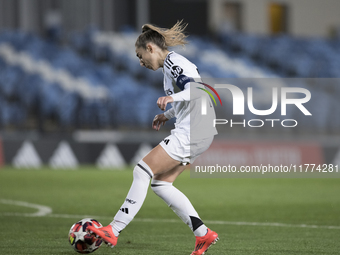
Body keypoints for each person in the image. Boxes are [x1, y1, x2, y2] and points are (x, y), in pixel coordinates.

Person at [88, 20, 219, 255]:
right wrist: (168, 114)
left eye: (140, 56)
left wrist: (171, 100)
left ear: (150, 47)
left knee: (142, 170)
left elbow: (198, 91)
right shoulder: (170, 69)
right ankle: (203, 234)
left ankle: (114, 230)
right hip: (199, 130)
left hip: (193, 130)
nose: (141, 62)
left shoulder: (174, 63)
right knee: (161, 184)